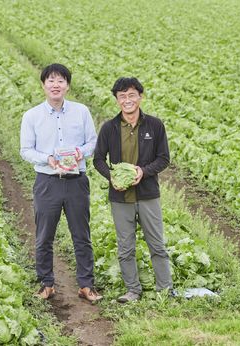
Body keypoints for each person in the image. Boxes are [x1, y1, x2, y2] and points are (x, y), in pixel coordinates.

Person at [20, 63, 102, 302]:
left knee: (81, 235)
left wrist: (80, 153)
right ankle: (46, 283)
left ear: (67, 85)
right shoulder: (32, 116)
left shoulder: (81, 111)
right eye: (51, 81)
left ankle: (86, 285)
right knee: (44, 235)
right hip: (47, 181)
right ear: (44, 85)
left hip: (76, 181)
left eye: (61, 81)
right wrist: (47, 158)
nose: (56, 85)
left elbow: (93, 143)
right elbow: (26, 150)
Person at [93, 77, 174, 303]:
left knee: (157, 244)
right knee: (125, 246)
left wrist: (143, 172)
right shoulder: (109, 128)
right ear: (117, 100)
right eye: (122, 96)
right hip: (120, 197)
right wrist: (112, 176)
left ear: (140, 96)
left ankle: (165, 290)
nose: (127, 100)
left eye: (131, 95)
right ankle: (133, 290)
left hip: (148, 195)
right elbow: (98, 159)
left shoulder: (154, 125)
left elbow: (163, 158)